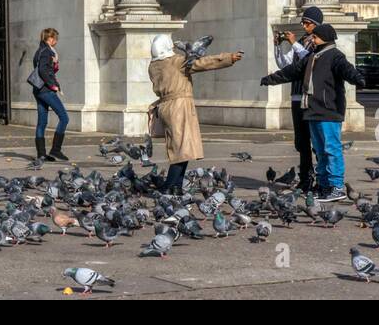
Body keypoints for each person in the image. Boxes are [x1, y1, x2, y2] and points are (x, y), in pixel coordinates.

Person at [260, 23, 362, 203]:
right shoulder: (312, 57)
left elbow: (347, 69)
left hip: (329, 110)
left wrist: (358, 79)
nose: (311, 40)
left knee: (332, 149)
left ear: (324, 38)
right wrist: (270, 79)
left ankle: (337, 186)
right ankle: (323, 186)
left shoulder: (334, 56)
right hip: (312, 110)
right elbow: (291, 71)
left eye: (314, 37)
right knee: (321, 151)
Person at [148, 34, 243, 196]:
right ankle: (169, 186)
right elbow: (201, 63)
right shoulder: (175, 62)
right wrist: (228, 58)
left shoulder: (154, 66)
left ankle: (176, 186)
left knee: (182, 149)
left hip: (166, 106)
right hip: (179, 106)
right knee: (181, 151)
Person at [273, 6, 323, 194]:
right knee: (301, 141)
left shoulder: (319, 41)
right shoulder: (302, 40)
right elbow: (284, 64)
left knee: (317, 141)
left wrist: (294, 43)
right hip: (296, 96)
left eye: (307, 23)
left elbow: (310, 60)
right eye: (303, 22)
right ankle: (305, 179)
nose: (304, 25)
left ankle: (321, 178)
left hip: (310, 97)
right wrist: (277, 45)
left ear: (316, 24)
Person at [30, 27, 68, 162]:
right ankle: (56, 150)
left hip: (38, 90)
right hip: (46, 90)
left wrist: (53, 66)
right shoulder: (46, 51)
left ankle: (41, 154)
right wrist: (53, 84)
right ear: (50, 38)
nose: (56, 41)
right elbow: (43, 70)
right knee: (64, 117)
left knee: (42, 122)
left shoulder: (39, 51)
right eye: (55, 38)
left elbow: (45, 69)